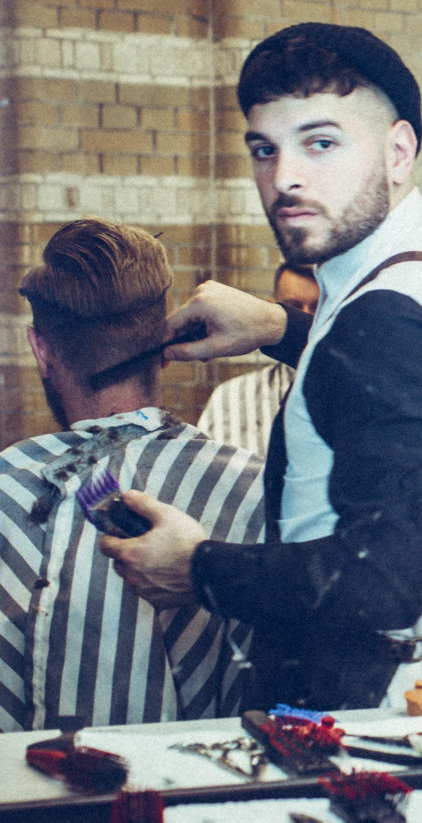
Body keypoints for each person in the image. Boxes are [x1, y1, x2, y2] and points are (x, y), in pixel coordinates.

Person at [98, 23, 422, 711]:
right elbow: (418, 388)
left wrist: (198, 569)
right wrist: (281, 328)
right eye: (264, 150)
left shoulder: (384, 319)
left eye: (321, 143)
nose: (285, 179)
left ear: (399, 152)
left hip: (370, 718)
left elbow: (383, 581)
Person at [2, 219, 264, 731]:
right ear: (167, 345)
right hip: (210, 778)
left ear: (41, 351)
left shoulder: (7, 485)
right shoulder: (254, 488)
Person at [196, 262, 319, 456]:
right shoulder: (229, 399)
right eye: (294, 308)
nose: (306, 319)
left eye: (317, 307)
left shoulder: (357, 395)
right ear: (270, 310)